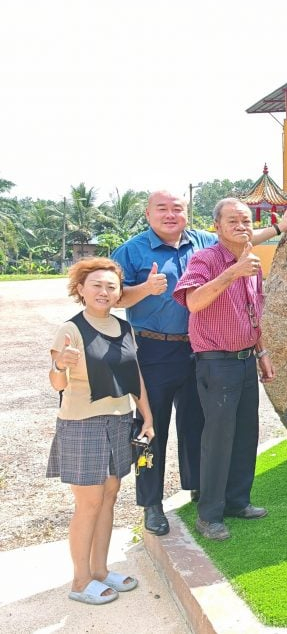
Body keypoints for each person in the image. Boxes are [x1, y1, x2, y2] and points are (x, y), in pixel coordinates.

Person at [112, 190, 287, 536]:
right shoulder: (133, 250)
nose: (170, 215)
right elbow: (109, 294)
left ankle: (204, 493)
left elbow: (241, 235)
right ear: (147, 213)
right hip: (156, 351)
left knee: (203, 427)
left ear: (188, 213)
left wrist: (279, 227)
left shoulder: (201, 239)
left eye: (177, 209)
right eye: (162, 209)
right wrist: (145, 289)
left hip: (199, 350)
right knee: (150, 429)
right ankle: (151, 503)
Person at [47, 258, 156, 605]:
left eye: (111, 286)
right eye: (96, 285)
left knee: (110, 495)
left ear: (118, 292)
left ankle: (99, 569)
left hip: (119, 420)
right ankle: (80, 581)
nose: (104, 291)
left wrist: (147, 418)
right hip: (82, 424)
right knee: (89, 504)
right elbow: (57, 383)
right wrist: (60, 365)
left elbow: (134, 376)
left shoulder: (124, 328)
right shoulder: (71, 329)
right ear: (80, 289)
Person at [173, 198, 275, 540]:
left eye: (246, 221)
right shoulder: (205, 259)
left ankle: (237, 501)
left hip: (246, 360)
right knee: (218, 438)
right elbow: (193, 302)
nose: (242, 226)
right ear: (216, 226)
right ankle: (209, 515)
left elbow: (253, 312)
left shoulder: (253, 264)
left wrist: (262, 353)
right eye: (233, 221)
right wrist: (232, 272)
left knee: (246, 433)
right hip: (216, 363)